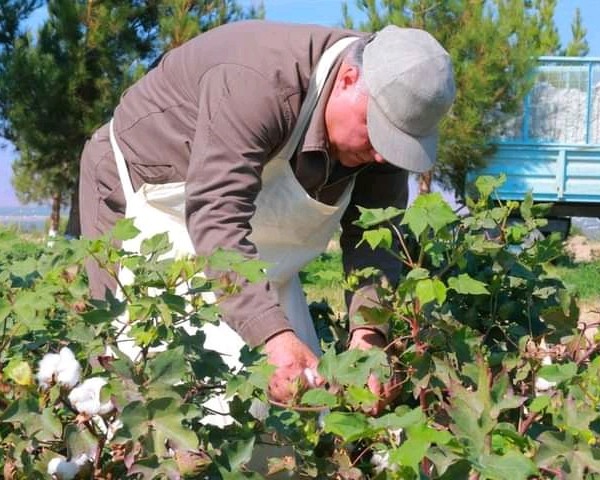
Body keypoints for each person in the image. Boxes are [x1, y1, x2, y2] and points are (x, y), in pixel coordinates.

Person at [79, 20, 455, 412]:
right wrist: (272, 336)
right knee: (136, 383)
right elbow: (219, 214)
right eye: (377, 131)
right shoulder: (258, 82)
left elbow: (376, 239)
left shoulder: (385, 129)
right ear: (347, 79)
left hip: (240, 242)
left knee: (299, 407)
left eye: (399, 142)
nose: (382, 155)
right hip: (145, 193)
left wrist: (368, 333)